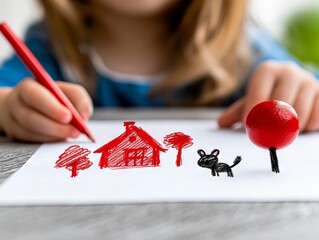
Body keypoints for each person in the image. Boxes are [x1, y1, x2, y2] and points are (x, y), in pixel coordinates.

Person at [0, 0, 319, 142]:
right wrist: (9, 108)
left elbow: (310, 95)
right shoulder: (48, 48)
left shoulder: (246, 51)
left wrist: (303, 93)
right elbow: (5, 94)